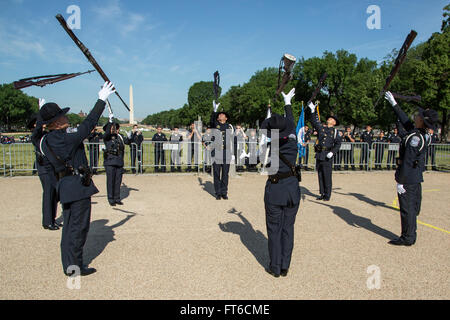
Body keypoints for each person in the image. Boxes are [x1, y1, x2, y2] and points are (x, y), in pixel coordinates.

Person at [38, 81, 115, 276]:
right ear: (56, 123)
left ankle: (69, 265)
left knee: (70, 228)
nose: (66, 118)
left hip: (65, 185)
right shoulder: (63, 137)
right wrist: (101, 101)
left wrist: (42, 115)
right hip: (77, 185)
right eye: (62, 116)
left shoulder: (46, 140)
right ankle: (75, 267)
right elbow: (87, 125)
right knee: (78, 229)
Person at [384, 91, 438, 246]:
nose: (416, 116)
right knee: (411, 208)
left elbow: (407, 161)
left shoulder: (415, 138)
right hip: (414, 177)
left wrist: (400, 181)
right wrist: (394, 104)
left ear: (422, 121)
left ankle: (408, 237)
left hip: (408, 178)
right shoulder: (419, 133)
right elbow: (405, 120)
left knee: (407, 209)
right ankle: (410, 234)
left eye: (419, 116)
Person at [262, 88, 300, 278]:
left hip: (275, 190)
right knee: (288, 229)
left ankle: (275, 267)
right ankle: (285, 266)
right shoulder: (293, 141)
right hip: (292, 190)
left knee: (274, 230)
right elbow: (290, 124)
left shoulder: (270, 147)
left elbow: (255, 161)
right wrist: (287, 103)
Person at [29, 110, 60, 231]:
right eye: (38, 123)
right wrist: (41, 117)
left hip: (52, 168)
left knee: (54, 194)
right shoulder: (36, 136)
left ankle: (52, 218)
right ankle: (47, 222)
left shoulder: (47, 134)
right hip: (44, 169)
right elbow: (37, 131)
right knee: (48, 194)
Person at [309, 103, 342, 201]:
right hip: (319, 154)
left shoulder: (335, 132)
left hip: (327, 155)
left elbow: (338, 144)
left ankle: (327, 194)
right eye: (329, 118)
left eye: (332, 119)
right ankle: (322, 193)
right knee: (320, 175)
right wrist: (312, 111)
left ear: (334, 123)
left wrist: (332, 152)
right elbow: (314, 121)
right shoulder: (321, 128)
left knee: (327, 175)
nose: (329, 119)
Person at [210, 101, 234, 200]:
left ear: (226, 118)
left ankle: (224, 192)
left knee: (225, 174)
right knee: (216, 173)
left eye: (222, 114)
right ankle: (218, 192)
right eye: (219, 114)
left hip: (226, 153)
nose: (221, 115)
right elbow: (211, 120)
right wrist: (215, 110)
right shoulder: (215, 124)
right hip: (217, 152)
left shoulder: (229, 126)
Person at [103, 120, 130, 206]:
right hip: (110, 161)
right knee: (111, 180)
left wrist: (130, 136)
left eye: (116, 128)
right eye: (113, 128)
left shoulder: (120, 137)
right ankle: (111, 198)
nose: (115, 129)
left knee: (118, 180)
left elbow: (128, 142)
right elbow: (107, 134)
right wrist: (110, 122)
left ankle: (117, 198)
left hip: (119, 161)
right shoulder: (107, 137)